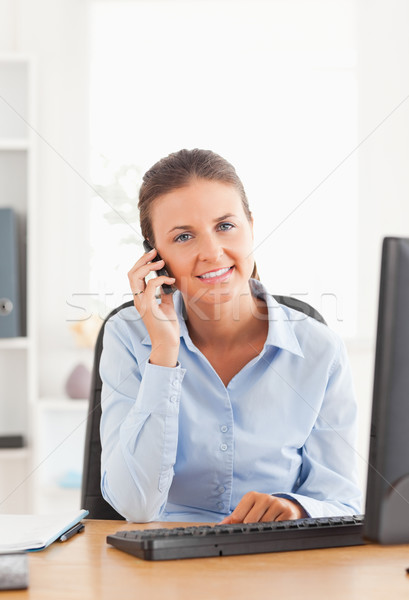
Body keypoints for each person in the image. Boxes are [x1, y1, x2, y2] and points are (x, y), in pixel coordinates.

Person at [100, 148, 362, 524]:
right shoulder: (127, 337)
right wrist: (163, 353)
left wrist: (295, 508)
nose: (212, 252)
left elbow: (342, 502)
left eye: (225, 226)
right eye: (184, 236)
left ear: (250, 227)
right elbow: (134, 507)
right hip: (163, 565)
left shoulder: (320, 350)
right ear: (155, 257)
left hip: (274, 558)